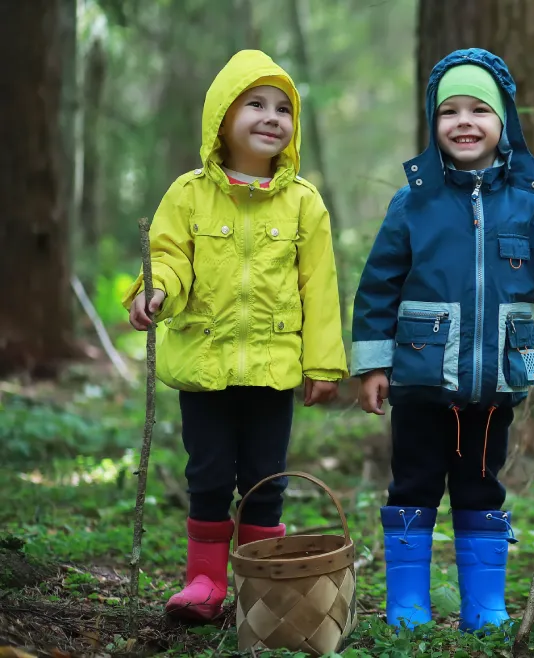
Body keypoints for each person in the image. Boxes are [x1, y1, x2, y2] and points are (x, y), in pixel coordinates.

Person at [351, 48, 534, 632]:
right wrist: (374, 365)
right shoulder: (413, 202)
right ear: (434, 124)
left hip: (494, 384)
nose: (464, 121)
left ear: (504, 122)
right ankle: (407, 604)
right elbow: (379, 285)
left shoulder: (528, 203)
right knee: (413, 485)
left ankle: (484, 605)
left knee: (482, 489)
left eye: (479, 109)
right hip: (422, 381)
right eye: (449, 111)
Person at [122, 49, 348, 622]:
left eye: (283, 108)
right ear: (221, 117)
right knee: (209, 474)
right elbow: (170, 257)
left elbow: (319, 287)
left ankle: (260, 582)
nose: (272, 117)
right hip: (205, 362)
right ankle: (205, 581)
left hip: (273, 367)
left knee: (265, 480)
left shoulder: (304, 203)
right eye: (255, 104)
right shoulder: (189, 193)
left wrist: (323, 365)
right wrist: (154, 292)